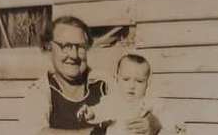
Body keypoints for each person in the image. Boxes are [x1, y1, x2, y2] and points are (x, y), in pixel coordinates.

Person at [20, 16, 161, 135]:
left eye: (80, 47)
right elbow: (34, 133)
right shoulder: (40, 91)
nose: (74, 55)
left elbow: (141, 101)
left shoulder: (103, 83)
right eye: (66, 46)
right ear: (49, 48)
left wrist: (153, 122)